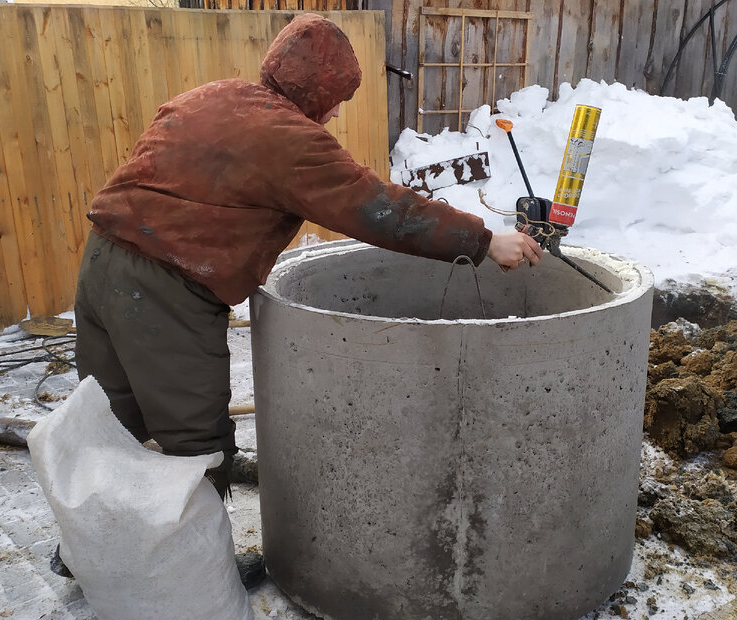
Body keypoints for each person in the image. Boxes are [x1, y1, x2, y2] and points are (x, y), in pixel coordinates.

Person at [57, 13, 542, 585]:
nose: (337, 111)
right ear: (315, 89)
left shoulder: (213, 96)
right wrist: (484, 241)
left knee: (111, 421)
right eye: (336, 97)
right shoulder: (289, 141)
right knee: (196, 443)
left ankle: (87, 554)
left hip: (101, 262)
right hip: (167, 290)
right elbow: (378, 208)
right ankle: (196, 581)